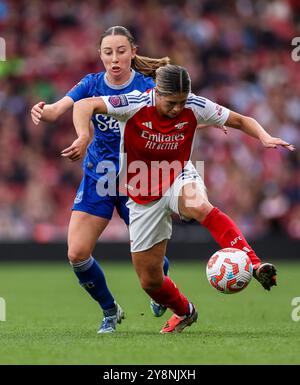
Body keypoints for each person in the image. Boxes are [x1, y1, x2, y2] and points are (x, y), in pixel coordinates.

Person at [66, 64, 295, 334]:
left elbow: (241, 120)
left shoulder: (195, 106)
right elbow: (84, 106)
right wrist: (83, 136)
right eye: (172, 102)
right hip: (142, 192)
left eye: (182, 102)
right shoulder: (135, 103)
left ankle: (254, 264)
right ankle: (185, 311)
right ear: (157, 93)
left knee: (198, 205)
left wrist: (264, 137)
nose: (177, 109)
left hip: (178, 175)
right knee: (150, 281)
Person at [30, 26, 171, 333]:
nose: (115, 58)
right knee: (76, 253)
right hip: (100, 178)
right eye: (108, 52)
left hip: (139, 179)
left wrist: (211, 123)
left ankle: (161, 284)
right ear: (101, 55)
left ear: (133, 52)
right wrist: (43, 110)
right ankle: (109, 310)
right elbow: (58, 110)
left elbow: (176, 118)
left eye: (121, 51)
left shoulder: (148, 87)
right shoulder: (92, 84)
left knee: (149, 258)